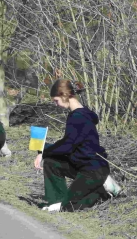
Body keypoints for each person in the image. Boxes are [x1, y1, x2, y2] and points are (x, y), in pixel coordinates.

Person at [34, 79, 121, 212]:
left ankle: (104, 190)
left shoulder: (78, 117)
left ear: (64, 96)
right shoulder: (79, 114)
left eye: (56, 100)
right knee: (51, 163)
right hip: (80, 165)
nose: (56, 104)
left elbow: (67, 146)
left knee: (71, 206)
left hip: (93, 169)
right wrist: (43, 151)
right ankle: (56, 201)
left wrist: (43, 151)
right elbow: (68, 144)